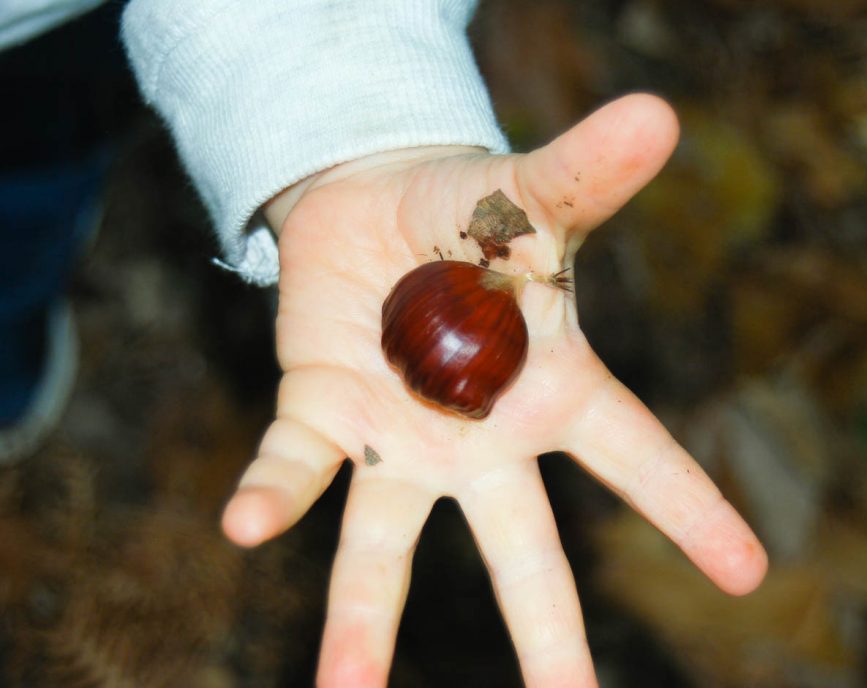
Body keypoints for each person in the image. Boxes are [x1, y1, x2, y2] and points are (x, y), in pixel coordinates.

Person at [7, 1, 769, 684]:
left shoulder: (483, 255)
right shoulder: (474, 277)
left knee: (34, 184)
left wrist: (357, 146)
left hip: (45, 43)